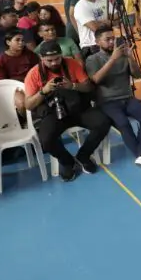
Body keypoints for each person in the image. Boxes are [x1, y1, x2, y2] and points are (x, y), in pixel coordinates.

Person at [23, 40, 110, 182]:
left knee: (103, 123)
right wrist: (44, 91)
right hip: (53, 113)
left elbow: (88, 87)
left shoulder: (72, 64)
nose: (54, 63)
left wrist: (72, 86)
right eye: (49, 60)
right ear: (41, 58)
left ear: (61, 55)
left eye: (57, 58)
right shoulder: (33, 74)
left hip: (77, 109)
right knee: (46, 140)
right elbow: (28, 105)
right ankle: (67, 162)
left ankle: (83, 155)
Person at [85, 27, 141, 171]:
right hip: (107, 101)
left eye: (113, 38)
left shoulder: (123, 55)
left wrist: (130, 58)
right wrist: (113, 59)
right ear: (97, 42)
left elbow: (137, 74)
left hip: (127, 98)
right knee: (123, 123)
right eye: (107, 39)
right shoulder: (92, 59)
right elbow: (95, 79)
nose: (111, 42)